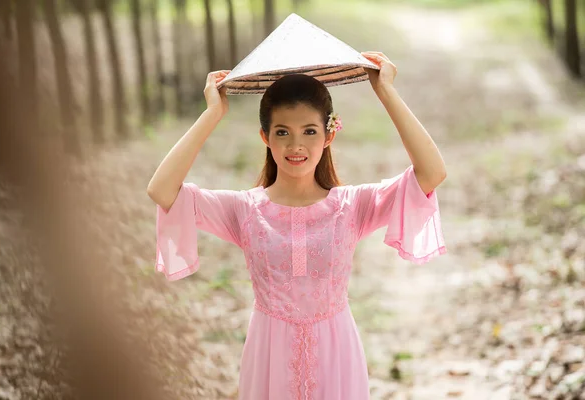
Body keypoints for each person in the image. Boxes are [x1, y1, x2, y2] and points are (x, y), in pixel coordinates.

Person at [147, 51, 447, 400]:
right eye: (282, 132)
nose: (296, 145)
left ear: (329, 135)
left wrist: (386, 92)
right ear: (265, 137)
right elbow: (162, 190)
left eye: (309, 131)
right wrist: (212, 114)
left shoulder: (351, 207)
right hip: (268, 358)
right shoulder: (245, 210)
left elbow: (431, 173)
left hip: (337, 356)